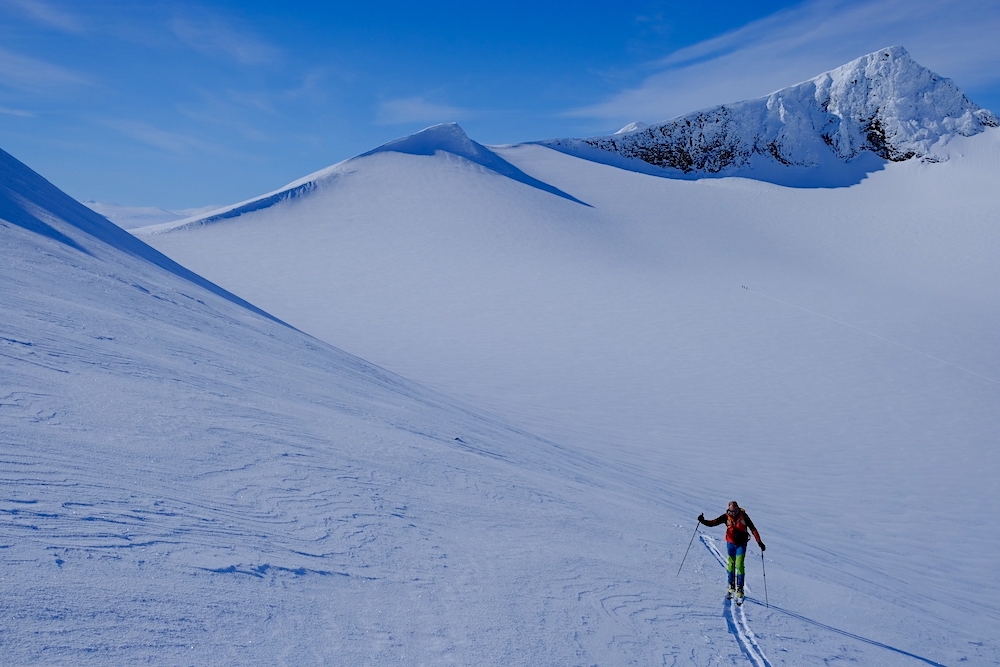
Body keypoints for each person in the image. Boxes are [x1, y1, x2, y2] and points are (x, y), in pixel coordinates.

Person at [698, 501, 765, 602]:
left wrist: (759, 542)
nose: (733, 513)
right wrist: (702, 521)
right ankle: (731, 585)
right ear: (729, 510)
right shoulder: (726, 517)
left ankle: (740, 588)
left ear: (738, 509)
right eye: (731, 511)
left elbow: (753, 528)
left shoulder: (743, 516)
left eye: (735, 511)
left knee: (739, 565)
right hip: (730, 544)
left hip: (741, 545)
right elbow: (713, 523)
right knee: (731, 564)